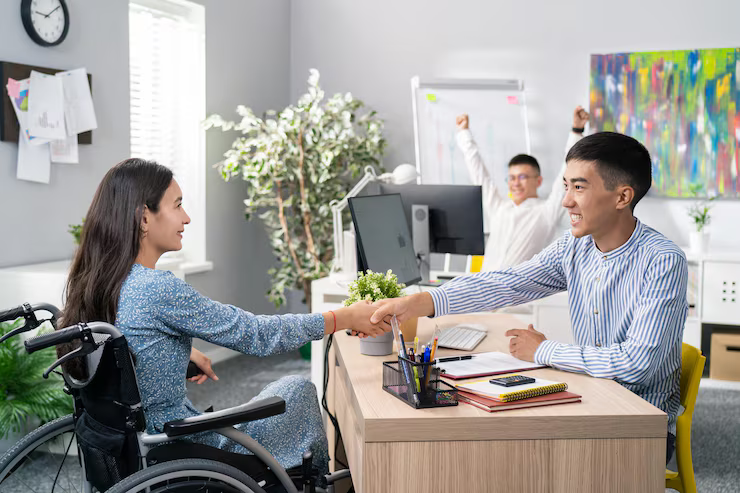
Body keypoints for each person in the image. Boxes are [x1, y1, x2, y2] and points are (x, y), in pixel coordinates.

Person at [59, 158, 390, 476]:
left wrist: (177, 353)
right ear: (144, 218)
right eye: (177, 205)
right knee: (297, 389)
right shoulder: (156, 288)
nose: (186, 218)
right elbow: (254, 334)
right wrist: (341, 318)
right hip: (178, 446)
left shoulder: (96, 281)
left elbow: (125, 343)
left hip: (132, 448)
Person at [371, 132, 686, 464]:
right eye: (566, 186)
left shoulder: (663, 261)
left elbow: (637, 364)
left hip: (640, 425)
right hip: (593, 394)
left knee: (514, 453)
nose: (566, 201)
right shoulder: (574, 246)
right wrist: (422, 302)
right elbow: (510, 282)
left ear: (622, 197)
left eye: (579, 187)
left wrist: (543, 350)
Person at [455, 106, 589, 270]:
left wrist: (576, 130)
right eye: (511, 178)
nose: (515, 183)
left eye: (522, 177)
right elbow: (478, 173)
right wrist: (464, 132)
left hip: (517, 294)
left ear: (538, 181)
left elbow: (567, 169)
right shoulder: (499, 208)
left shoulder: (546, 212)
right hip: (482, 289)